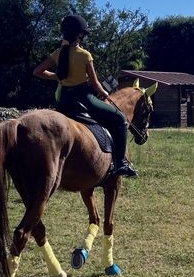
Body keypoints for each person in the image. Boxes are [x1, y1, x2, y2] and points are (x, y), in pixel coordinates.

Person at [33, 14, 138, 177]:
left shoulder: (57, 53)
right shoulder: (85, 55)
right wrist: (104, 93)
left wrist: (59, 76)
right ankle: (121, 163)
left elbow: (37, 72)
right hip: (83, 100)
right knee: (120, 120)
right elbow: (96, 84)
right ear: (80, 34)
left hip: (63, 102)